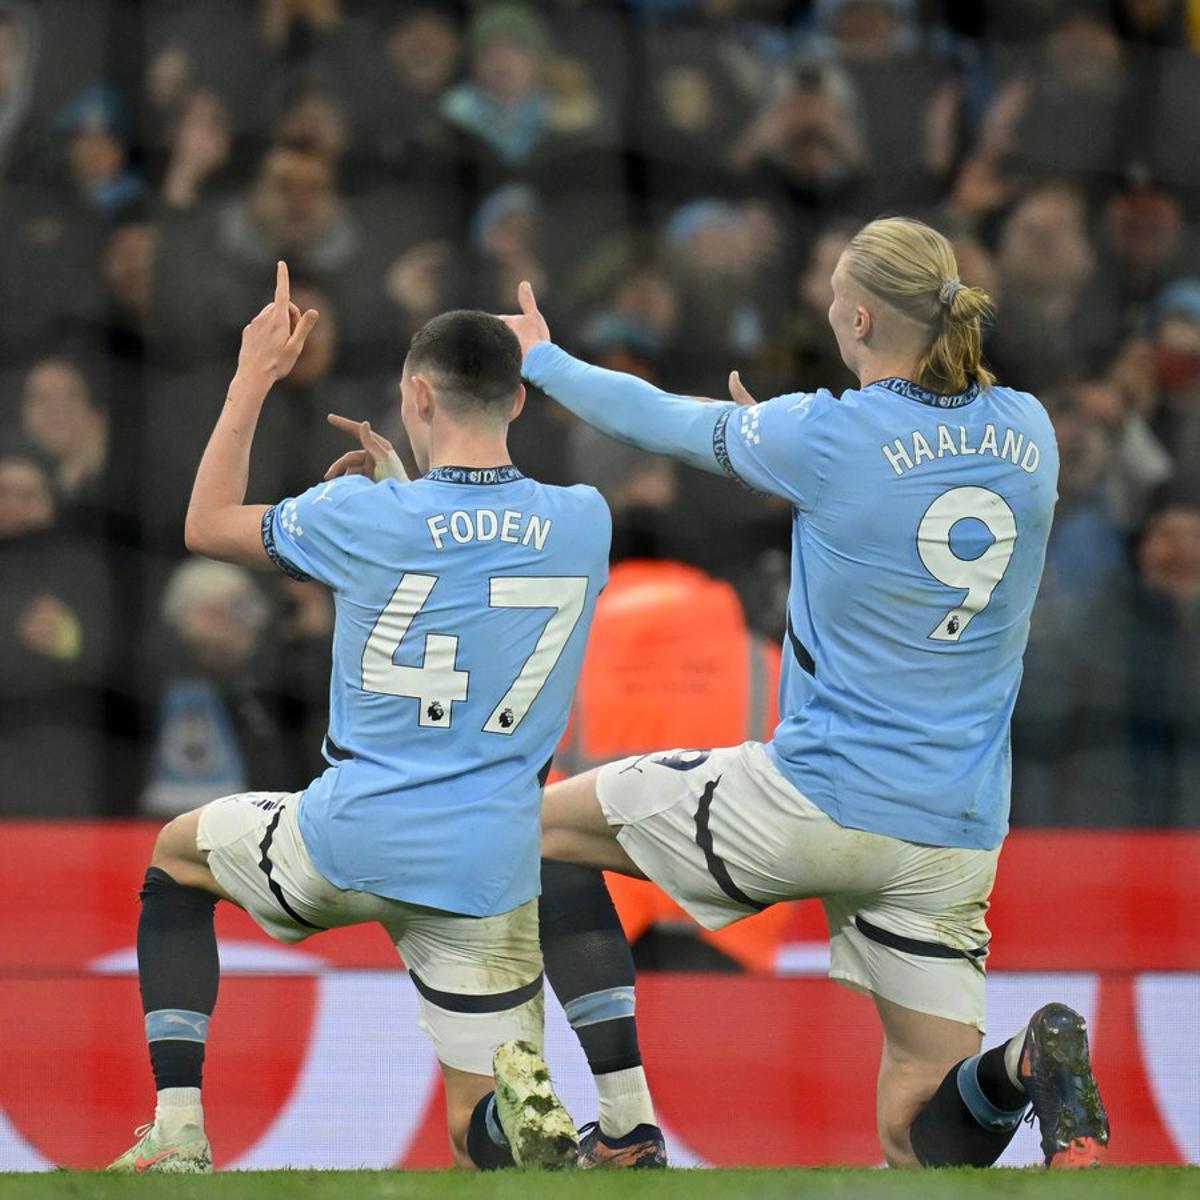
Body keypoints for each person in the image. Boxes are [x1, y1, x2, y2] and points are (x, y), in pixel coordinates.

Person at [499, 216, 1111, 1170]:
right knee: (920, 1137)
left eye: (833, 295)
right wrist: (779, 440)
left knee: (531, 829)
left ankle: (621, 1125)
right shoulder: (1029, 431)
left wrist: (545, 362)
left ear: (859, 316)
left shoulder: (822, 434)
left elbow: (659, 419)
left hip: (812, 801)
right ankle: (1021, 1066)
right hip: (951, 833)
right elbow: (908, 479)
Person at [107, 263, 611, 1173]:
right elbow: (475, 560)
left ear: (417, 394)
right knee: (474, 1118)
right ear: (520, 403)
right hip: (487, 863)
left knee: (177, 861)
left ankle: (177, 1128)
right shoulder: (584, 519)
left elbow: (207, 523)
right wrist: (401, 481)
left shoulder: (359, 517)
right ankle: (512, 1118)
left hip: (351, 835)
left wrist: (251, 377)